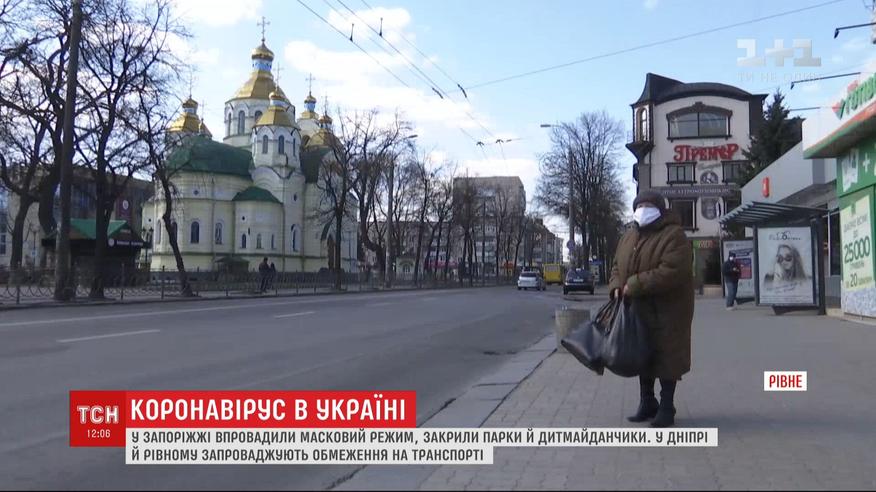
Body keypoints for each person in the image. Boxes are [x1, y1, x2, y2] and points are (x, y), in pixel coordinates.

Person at [609, 190, 694, 428]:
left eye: (648, 205)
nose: (643, 210)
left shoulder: (674, 235)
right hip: (638, 310)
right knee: (642, 355)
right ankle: (647, 402)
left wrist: (635, 284)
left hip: (669, 310)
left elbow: (672, 270)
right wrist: (616, 286)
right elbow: (616, 266)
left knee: (667, 357)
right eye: (639, 205)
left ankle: (667, 407)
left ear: (660, 209)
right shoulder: (629, 236)